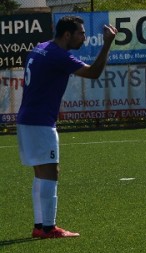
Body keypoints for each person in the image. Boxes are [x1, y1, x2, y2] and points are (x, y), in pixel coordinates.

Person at [17, 15, 117, 239]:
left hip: (27, 118)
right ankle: (48, 228)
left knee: (41, 172)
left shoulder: (40, 48)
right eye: (81, 33)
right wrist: (107, 44)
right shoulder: (58, 56)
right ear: (67, 35)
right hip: (40, 122)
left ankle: (40, 226)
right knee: (50, 172)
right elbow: (93, 72)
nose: (84, 38)